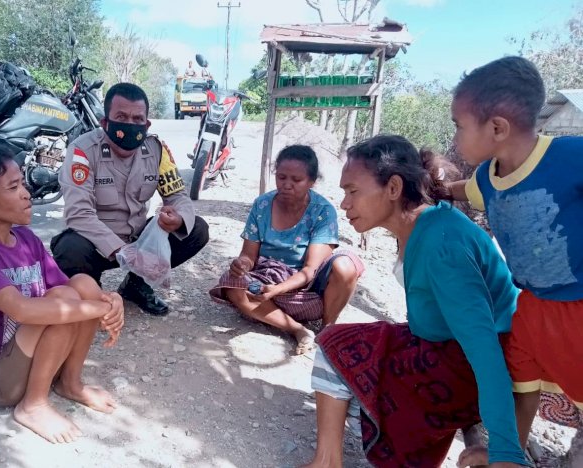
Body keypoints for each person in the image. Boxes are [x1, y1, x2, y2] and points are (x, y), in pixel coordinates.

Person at [302, 135, 528, 468]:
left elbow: (485, 353)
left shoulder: (442, 244)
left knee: (337, 347)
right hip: (447, 346)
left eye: (352, 191)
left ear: (393, 188)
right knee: (348, 350)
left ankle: (327, 462)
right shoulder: (426, 224)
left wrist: (507, 452)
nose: (345, 204)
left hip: (465, 362)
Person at [448, 56, 583, 468]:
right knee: (521, 386)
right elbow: (463, 191)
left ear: (497, 128)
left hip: (579, 306)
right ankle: (508, 453)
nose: (454, 139)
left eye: (458, 125)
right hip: (535, 307)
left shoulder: (571, 156)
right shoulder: (487, 178)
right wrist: (432, 188)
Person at [0, 147, 125, 444]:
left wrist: (109, 300)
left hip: (34, 358)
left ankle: (70, 383)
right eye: (14, 187)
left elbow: (70, 288)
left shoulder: (27, 239)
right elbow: (23, 311)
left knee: (82, 283)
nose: (26, 194)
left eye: (23, 184)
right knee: (67, 303)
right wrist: (96, 310)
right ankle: (33, 405)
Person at [51, 82, 210, 316]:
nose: (130, 125)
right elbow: (79, 214)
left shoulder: (157, 150)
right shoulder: (83, 151)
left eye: (137, 119)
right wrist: (121, 251)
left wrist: (177, 217)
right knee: (69, 248)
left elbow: (177, 195)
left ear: (147, 124)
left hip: (138, 240)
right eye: (121, 116)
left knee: (195, 228)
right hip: (96, 245)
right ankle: (95, 295)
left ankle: (136, 285)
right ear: (105, 123)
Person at [209, 145, 363, 354]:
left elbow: (310, 270)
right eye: (281, 177)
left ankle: (327, 329)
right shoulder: (262, 205)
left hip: (305, 290)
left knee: (346, 266)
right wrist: (241, 265)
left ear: (312, 182)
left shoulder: (322, 211)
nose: (287, 185)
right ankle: (297, 329)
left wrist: (279, 289)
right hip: (265, 281)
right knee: (233, 284)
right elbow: (248, 255)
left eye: (296, 180)